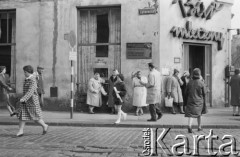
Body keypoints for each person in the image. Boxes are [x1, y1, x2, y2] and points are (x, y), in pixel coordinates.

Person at [16, 65, 48, 137]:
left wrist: (24, 99)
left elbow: (30, 91)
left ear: (27, 72)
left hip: (32, 102)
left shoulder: (33, 80)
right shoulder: (27, 79)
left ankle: (44, 126)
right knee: (22, 116)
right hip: (25, 102)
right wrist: (23, 99)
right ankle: (20, 131)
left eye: (24, 72)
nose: (24, 73)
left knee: (36, 117)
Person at [185, 68, 206, 133]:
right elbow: (204, 93)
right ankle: (199, 127)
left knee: (191, 114)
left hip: (191, 100)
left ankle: (189, 126)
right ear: (199, 74)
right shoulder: (201, 83)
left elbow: (186, 92)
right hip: (199, 101)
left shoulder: (189, 82)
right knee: (199, 114)